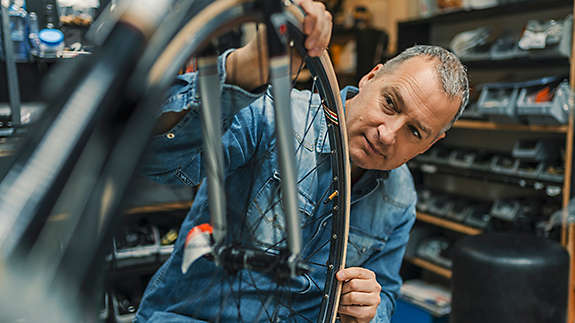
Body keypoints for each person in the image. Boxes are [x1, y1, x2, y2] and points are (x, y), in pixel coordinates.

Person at [135, 0, 469, 322]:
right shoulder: (271, 113)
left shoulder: (400, 197)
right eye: (391, 103)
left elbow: (388, 293)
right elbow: (156, 160)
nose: (388, 134)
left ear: (430, 144)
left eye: (414, 131)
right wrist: (240, 74)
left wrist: (370, 310)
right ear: (371, 78)